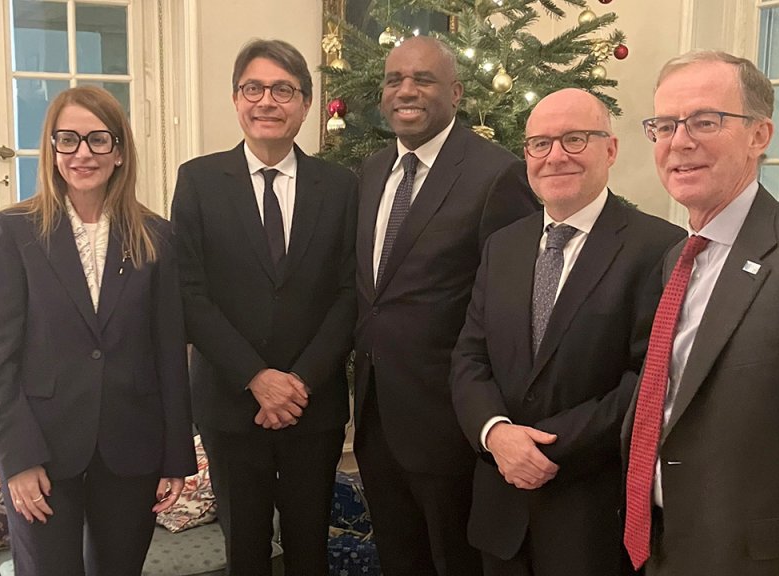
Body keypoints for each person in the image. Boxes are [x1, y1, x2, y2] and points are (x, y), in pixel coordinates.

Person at [621, 50, 779, 575]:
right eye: (665, 124)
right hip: (664, 549)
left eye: (705, 121)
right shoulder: (676, 260)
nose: (679, 141)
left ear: (760, 135)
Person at [451, 88, 683, 576]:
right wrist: (497, 436)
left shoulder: (658, 247)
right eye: (540, 144)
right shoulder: (502, 247)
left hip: (591, 511)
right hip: (501, 507)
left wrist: (541, 447)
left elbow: (648, 379)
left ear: (611, 150)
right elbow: (470, 359)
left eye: (574, 139)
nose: (555, 156)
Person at [0, 86, 196, 576]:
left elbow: (168, 352)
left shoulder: (156, 236)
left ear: (119, 152)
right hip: (44, 454)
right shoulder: (15, 232)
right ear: (52, 150)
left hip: (132, 450)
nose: (83, 153)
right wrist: (16, 459)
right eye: (69, 140)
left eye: (99, 140)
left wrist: (175, 457)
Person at [353, 35, 539, 576]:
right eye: (394, 80)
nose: (405, 91)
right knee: (398, 558)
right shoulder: (370, 172)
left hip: (450, 423)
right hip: (374, 415)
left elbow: (510, 307)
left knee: (454, 562)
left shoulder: (496, 173)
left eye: (422, 79)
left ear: (455, 93)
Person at [171, 39, 357, 576]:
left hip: (312, 405)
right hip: (231, 405)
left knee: (309, 552)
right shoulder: (199, 181)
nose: (267, 101)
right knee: (245, 553)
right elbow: (190, 293)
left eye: (283, 90)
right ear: (236, 99)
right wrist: (256, 376)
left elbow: (350, 294)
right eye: (254, 88)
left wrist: (297, 381)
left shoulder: (341, 187)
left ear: (305, 103)